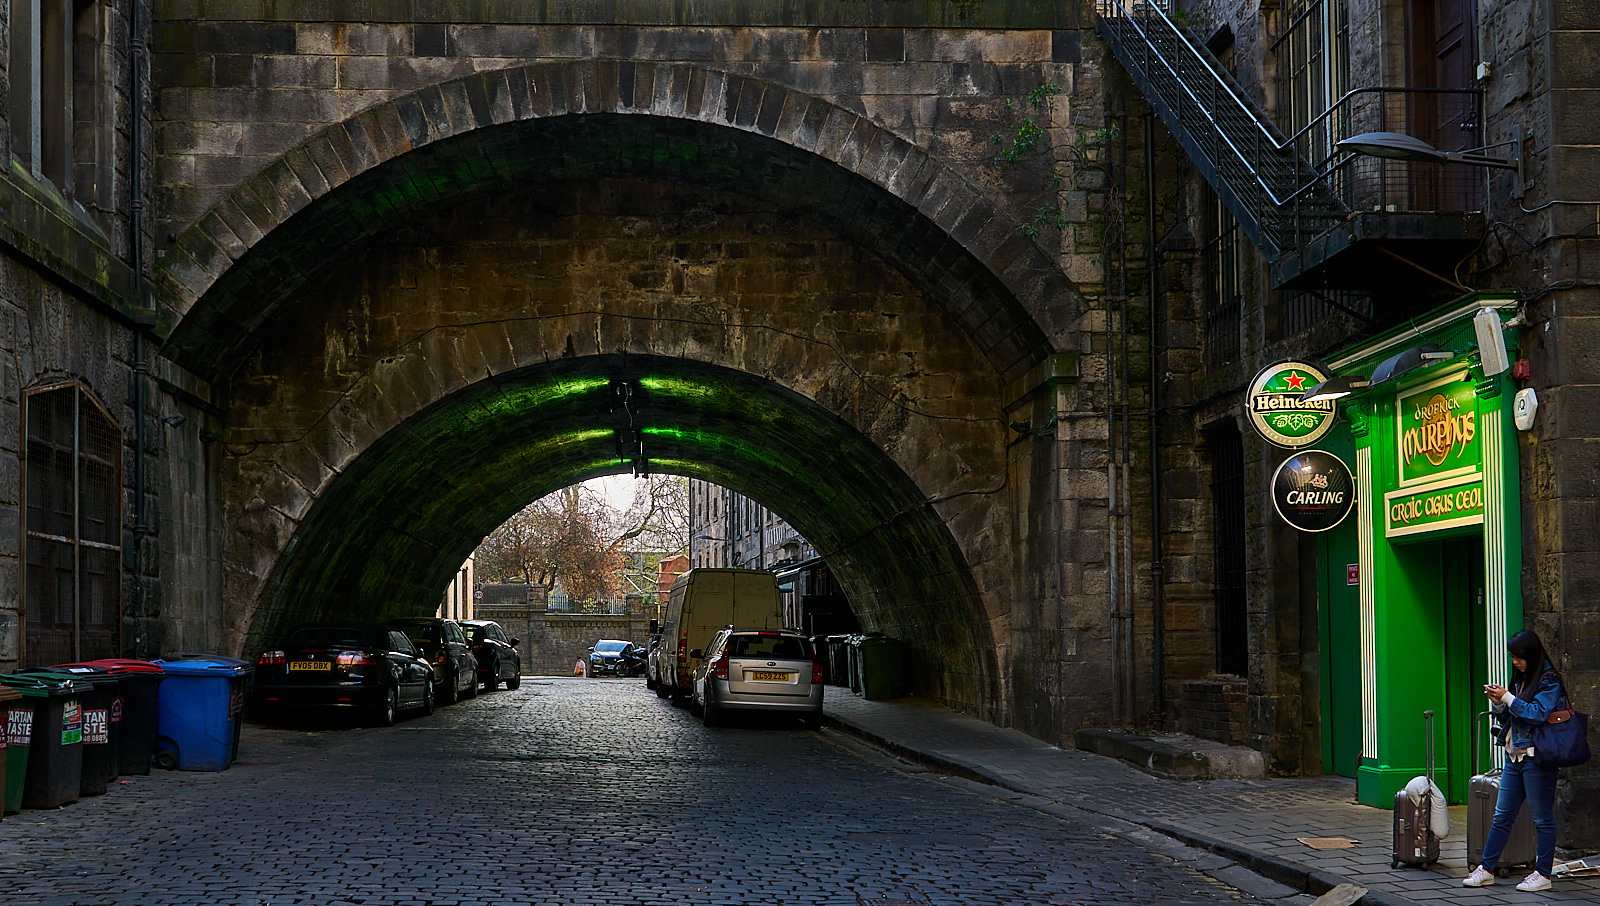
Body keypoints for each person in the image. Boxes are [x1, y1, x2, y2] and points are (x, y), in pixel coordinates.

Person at [1463, 629, 1566, 891]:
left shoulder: (1549, 680)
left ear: (1531, 654)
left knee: (1542, 818)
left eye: (1518, 657)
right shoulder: (1522, 679)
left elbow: (1537, 713)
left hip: (1537, 759)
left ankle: (1543, 874)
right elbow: (1511, 718)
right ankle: (1486, 869)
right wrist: (1499, 703)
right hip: (1514, 756)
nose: (1515, 662)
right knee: (1502, 817)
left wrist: (1508, 698)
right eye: (1512, 657)